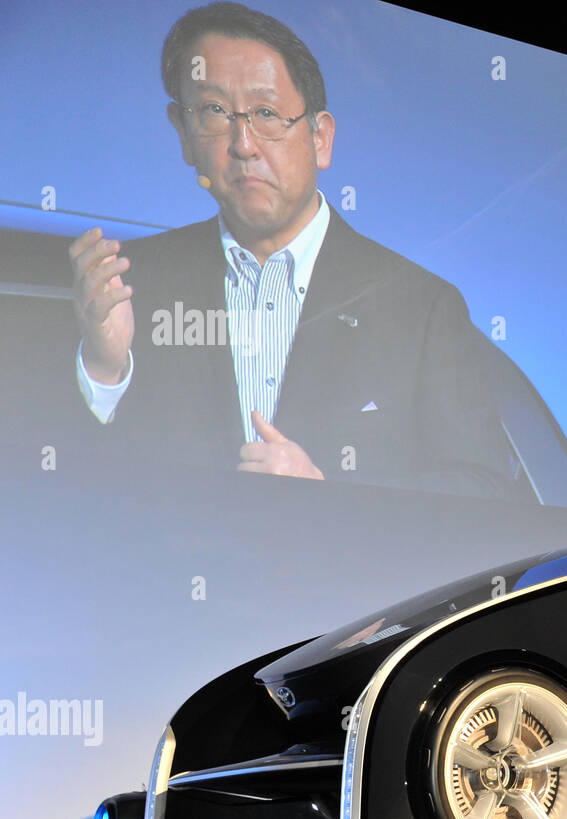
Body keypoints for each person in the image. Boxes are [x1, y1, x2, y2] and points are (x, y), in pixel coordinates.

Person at [68, 2, 529, 499]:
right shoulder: (131, 286)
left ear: (321, 138)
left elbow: (483, 492)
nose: (243, 143)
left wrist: (330, 495)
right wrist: (105, 371)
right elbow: (59, 485)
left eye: (266, 114)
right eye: (215, 112)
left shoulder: (422, 309)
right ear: (183, 134)